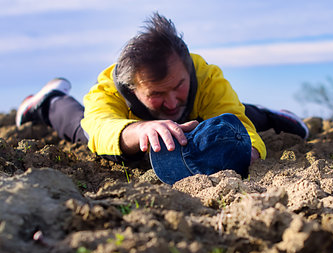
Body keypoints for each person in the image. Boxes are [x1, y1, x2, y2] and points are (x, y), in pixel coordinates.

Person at [16, 13, 309, 176]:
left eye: (178, 85)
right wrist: (138, 131)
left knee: (232, 117)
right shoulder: (107, 91)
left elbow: (238, 122)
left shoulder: (205, 75)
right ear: (132, 88)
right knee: (81, 128)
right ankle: (49, 100)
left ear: (187, 69)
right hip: (128, 128)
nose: (171, 102)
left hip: (200, 116)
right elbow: (100, 127)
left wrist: (247, 153)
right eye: (156, 93)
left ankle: (276, 116)